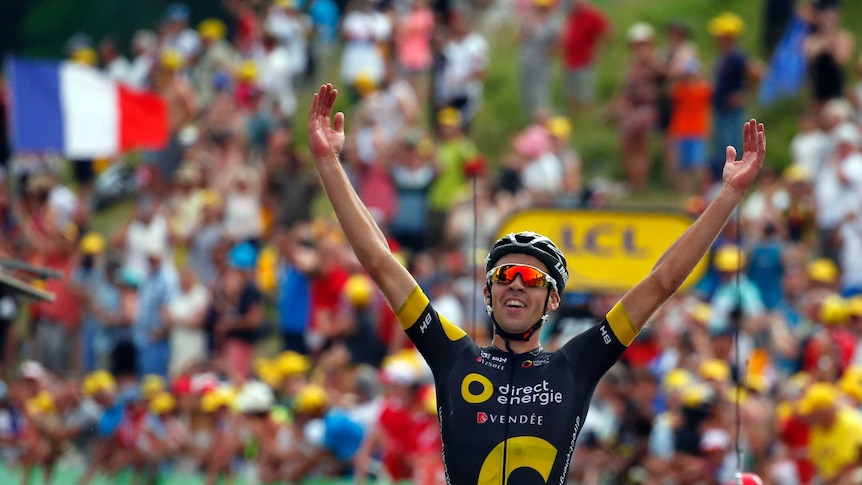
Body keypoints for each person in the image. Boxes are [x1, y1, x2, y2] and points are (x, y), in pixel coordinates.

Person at [307, 83, 766, 484]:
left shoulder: (575, 365)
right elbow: (380, 262)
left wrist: (729, 195)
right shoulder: (454, 356)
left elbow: (663, 280)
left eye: (531, 279)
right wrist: (329, 161)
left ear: (553, 300)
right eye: (504, 277)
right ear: (487, 293)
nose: (516, 286)